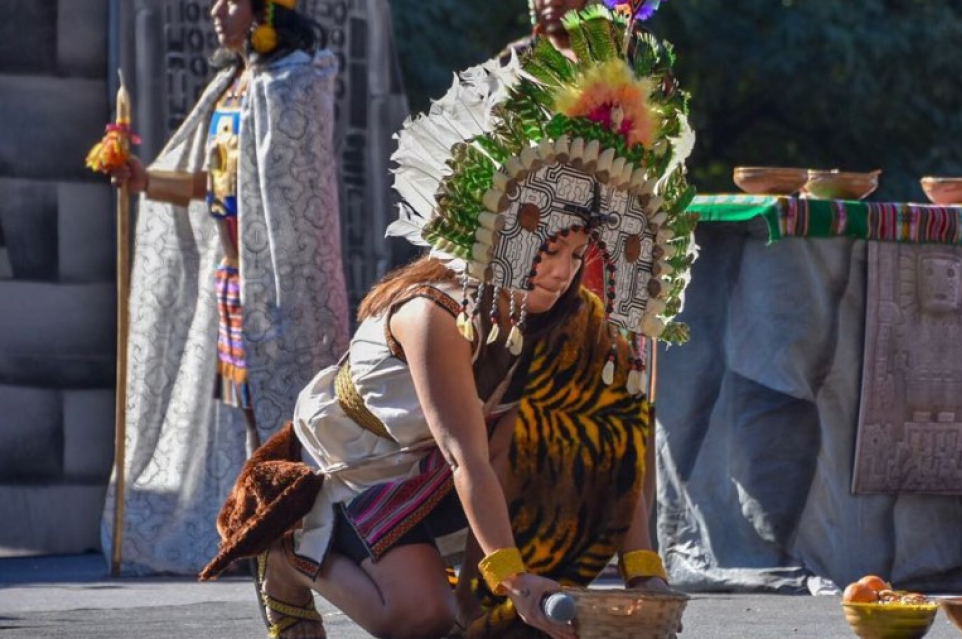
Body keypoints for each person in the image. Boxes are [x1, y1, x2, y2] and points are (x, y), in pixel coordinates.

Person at [200, 5, 696, 639]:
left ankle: (485, 599)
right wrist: (515, 580)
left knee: (585, 416)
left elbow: (621, 432)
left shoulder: (577, 316)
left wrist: (642, 573)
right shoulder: (435, 312)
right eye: (546, 248)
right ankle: (288, 555)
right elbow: (466, 457)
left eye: (577, 254)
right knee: (420, 618)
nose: (561, 272)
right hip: (365, 467)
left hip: (448, 474)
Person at [102, 0, 349, 575]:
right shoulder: (233, 86)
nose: (215, 10)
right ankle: (257, 529)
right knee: (242, 409)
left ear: (267, 10)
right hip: (234, 276)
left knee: (286, 413)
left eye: (232, 0)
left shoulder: (298, 78)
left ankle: (301, 532)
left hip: (283, 283)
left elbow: (285, 185)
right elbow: (216, 186)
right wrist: (145, 180)